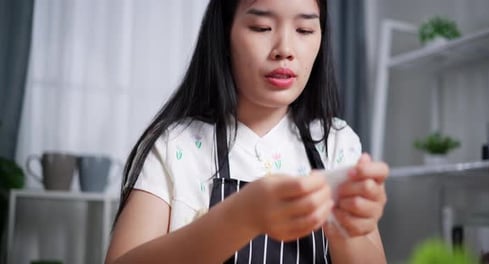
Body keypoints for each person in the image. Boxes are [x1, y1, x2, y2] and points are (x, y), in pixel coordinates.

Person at [105, 0, 389, 263]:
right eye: (262, 27)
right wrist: (242, 216)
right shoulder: (175, 145)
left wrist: (342, 227)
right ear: (225, 36)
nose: (285, 48)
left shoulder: (336, 141)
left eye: (304, 29)